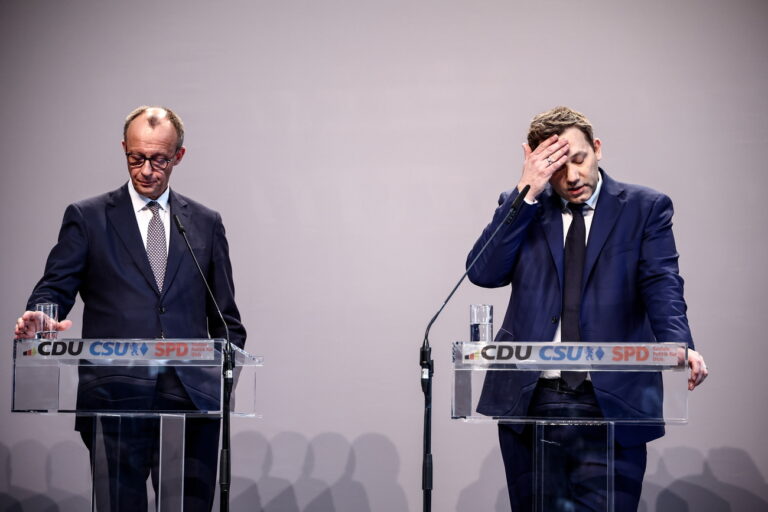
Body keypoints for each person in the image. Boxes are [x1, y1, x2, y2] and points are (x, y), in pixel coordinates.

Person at [466, 106, 708, 511]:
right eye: (557, 168)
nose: (572, 176)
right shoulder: (523, 206)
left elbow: (661, 283)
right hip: (533, 397)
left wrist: (677, 344)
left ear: (597, 148)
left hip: (611, 396)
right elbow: (483, 272)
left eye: (579, 159)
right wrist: (526, 191)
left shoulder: (644, 208)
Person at [13, 106, 246, 511]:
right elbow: (54, 287)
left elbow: (226, 320)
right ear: (124, 148)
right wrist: (42, 317)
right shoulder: (88, 218)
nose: (146, 170)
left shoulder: (204, 223)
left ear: (178, 156)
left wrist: (220, 383)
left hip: (190, 400)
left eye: (159, 159)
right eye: (136, 158)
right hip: (115, 395)